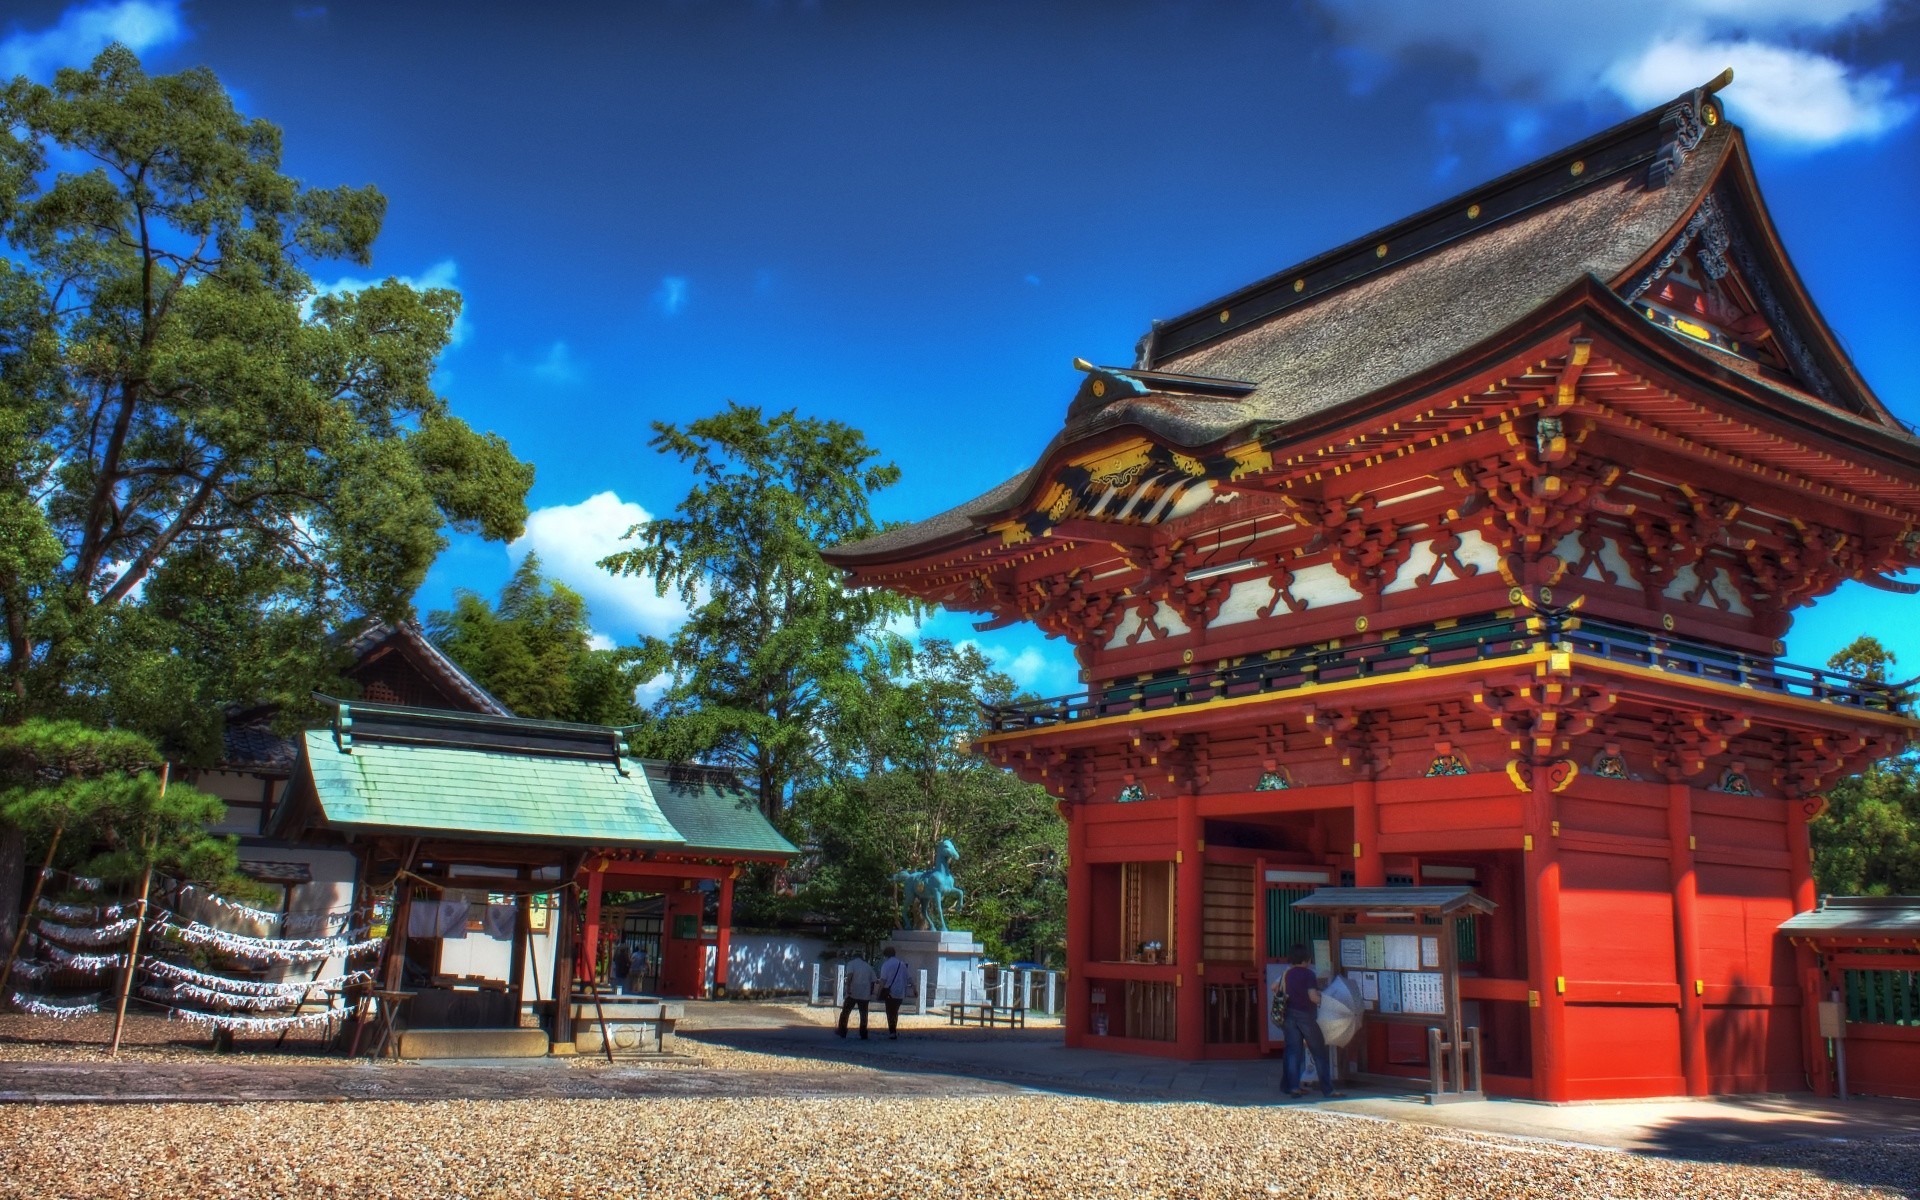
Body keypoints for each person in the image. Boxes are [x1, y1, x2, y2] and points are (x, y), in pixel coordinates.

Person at [1280, 943, 1342, 1100]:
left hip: (1289, 1015)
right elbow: (1313, 997)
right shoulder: (1308, 974)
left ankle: (1294, 1087)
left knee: (1294, 1052)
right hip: (1306, 1015)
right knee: (1319, 1052)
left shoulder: (1288, 973)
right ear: (1306, 959)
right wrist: (1326, 999)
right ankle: (1327, 1089)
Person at [836, 953, 877, 1039]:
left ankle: (842, 1031)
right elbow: (873, 980)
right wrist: (871, 991)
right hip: (865, 994)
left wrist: (848, 989)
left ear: (854, 957)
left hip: (853, 993)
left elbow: (850, 976)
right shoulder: (868, 966)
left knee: (845, 1013)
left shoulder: (851, 964)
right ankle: (863, 1033)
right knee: (863, 1014)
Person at [877, 947, 911, 1039]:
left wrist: (878, 992)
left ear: (886, 955)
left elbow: (883, 980)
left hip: (890, 991)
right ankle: (893, 1029)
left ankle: (892, 1031)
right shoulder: (902, 964)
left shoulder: (886, 965)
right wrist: (915, 989)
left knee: (890, 1011)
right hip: (900, 992)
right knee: (895, 1011)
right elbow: (909, 978)